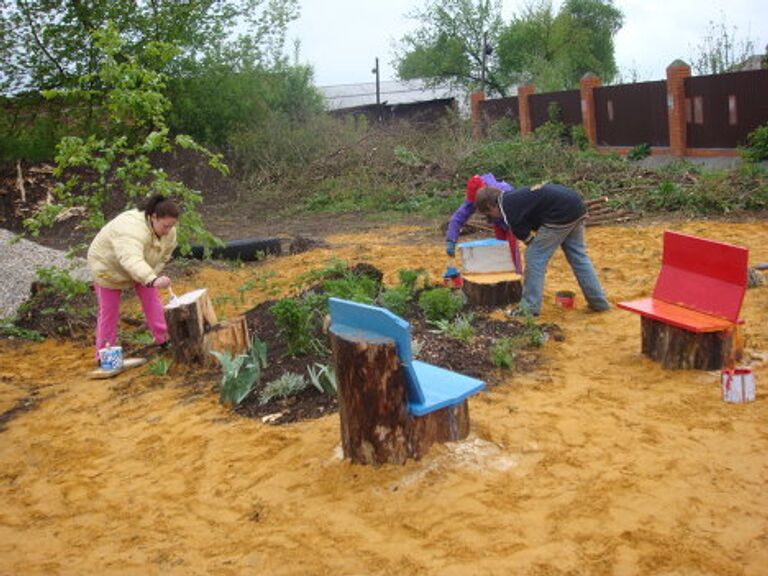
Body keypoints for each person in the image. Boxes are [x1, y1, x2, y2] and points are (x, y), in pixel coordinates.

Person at [474, 183, 610, 316]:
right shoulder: (513, 198)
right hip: (575, 205)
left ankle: (529, 308)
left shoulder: (507, 208)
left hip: (560, 214)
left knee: (534, 256)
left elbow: (523, 234)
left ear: (490, 206)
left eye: (489, 214)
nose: (492, 218)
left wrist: (537, 256)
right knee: (578, 257)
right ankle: (599, 302)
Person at [87, 194, 180, 359]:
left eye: (171, 226)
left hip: (141, 267)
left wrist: (151, 276)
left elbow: (164, 256)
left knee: (152, 299)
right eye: (165, 226)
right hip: (107, 268)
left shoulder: (169, 231)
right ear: (153, 217)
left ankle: (164, 339)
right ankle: (104, 355)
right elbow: (130, 259)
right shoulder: (131, 229)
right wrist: (151, 278)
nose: (168, 231)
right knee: (109, 311)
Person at [445, 173, 523, 273]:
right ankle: (501, 270)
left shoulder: (503, 191)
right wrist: (451, 240)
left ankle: (518, 273)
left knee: (512, 246)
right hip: (497, 220)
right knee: (499, 246)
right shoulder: (473, 197)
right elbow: (458, 217)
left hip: (512, 218)